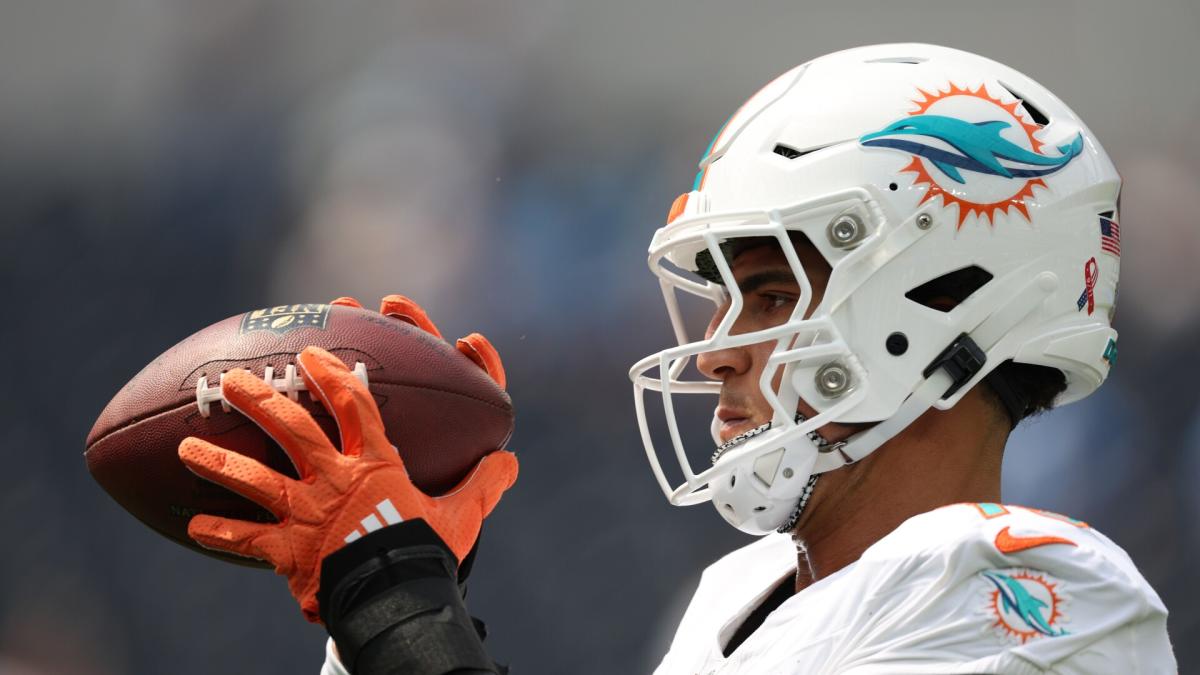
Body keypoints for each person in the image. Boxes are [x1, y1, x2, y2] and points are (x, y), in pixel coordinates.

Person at [178, 44, 1176, 674]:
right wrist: (378, 621)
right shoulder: (739, 600)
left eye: (775, 294)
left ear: (952, 297)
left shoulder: (1036, 594)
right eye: (724, 299)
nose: (712, 354)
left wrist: (395, 606)